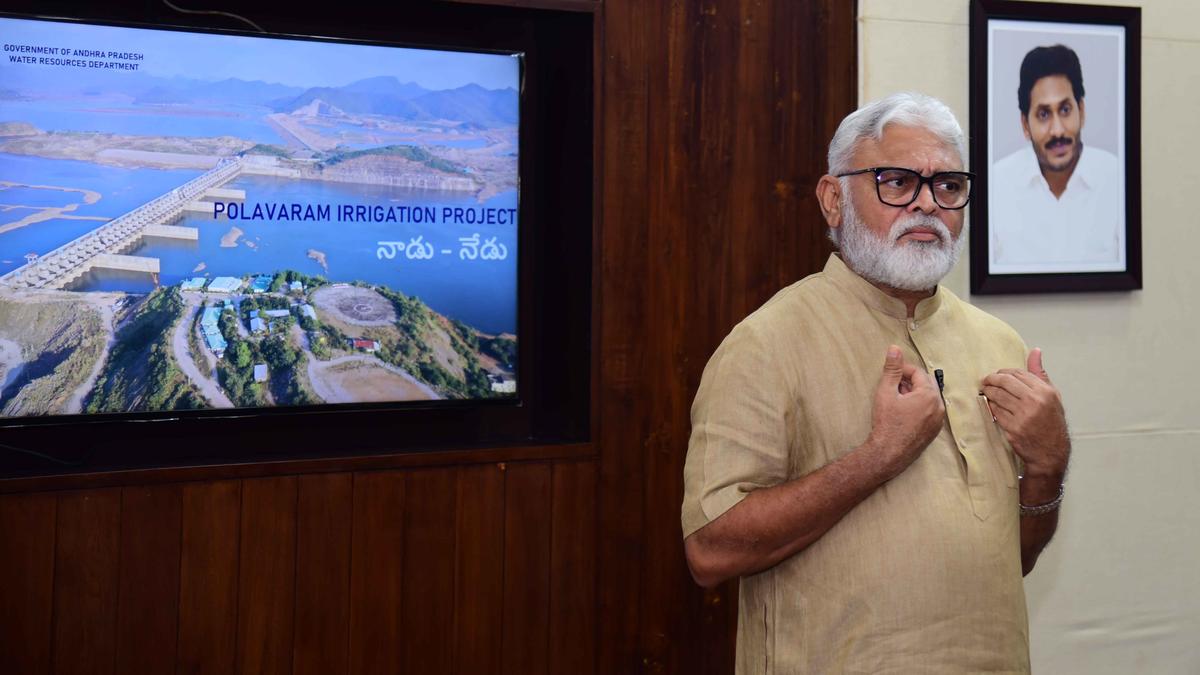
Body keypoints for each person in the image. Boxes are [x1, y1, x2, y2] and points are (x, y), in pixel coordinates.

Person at [681, 92, 1071, 674]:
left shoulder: (999, 345)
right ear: (833, 199)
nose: (926, 206)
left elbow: (1009, 560)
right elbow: (710, 551)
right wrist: (880, 456)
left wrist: (1047, 468)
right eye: (896, 181)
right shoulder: (766, 344)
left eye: (948, 186)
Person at [990, 44, 1124, 272]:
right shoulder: (996, 184)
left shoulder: (1117, 178)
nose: (1058, 131)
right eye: (1043, 114)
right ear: (1025, 125)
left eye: (1065, 110)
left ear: (1081, 111)